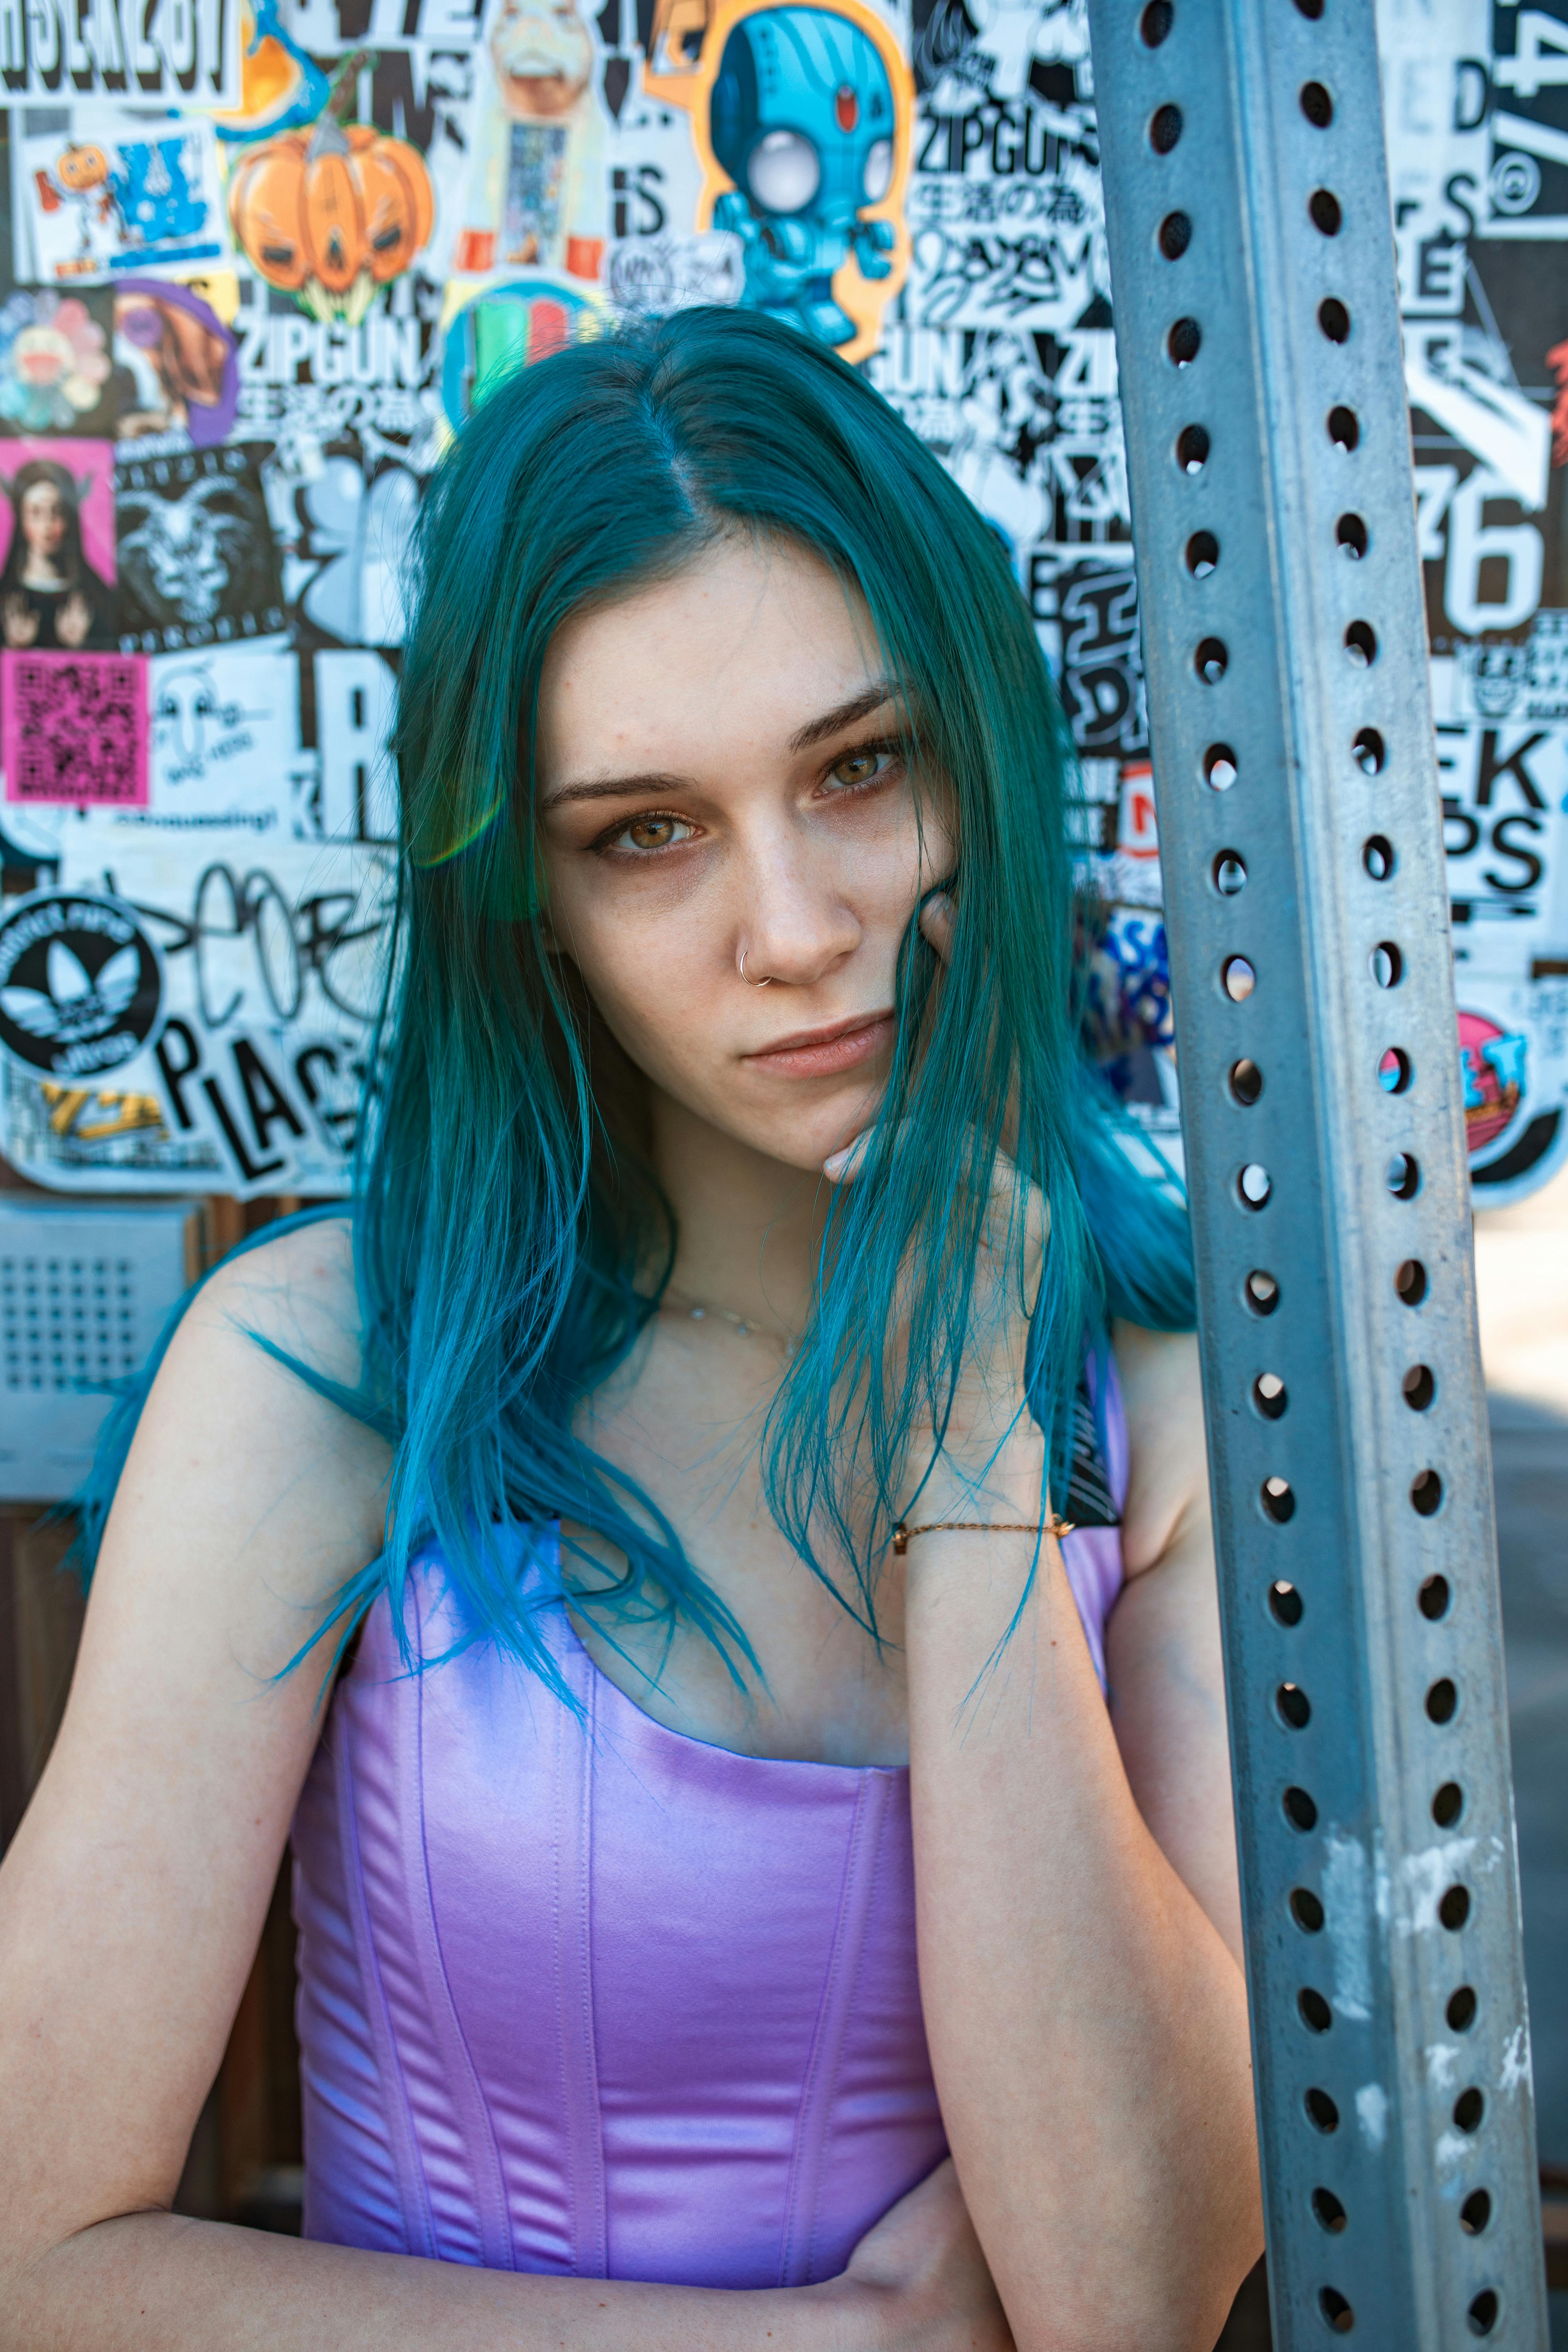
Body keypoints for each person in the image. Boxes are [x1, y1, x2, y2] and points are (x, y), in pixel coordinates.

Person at [0, 309, 1262, 2350]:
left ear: (978, 761)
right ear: (530, 898)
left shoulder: (1169, 1427)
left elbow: (1126, 2290)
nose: (790, 926)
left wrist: (971, 1458)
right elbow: (26, 2255)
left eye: (860, 768)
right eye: (646, 834)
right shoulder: (329, 1370)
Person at [0, 454, 115, 649]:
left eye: (57, 512)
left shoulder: (96, 597)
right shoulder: (6, 596)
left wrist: (80, 646)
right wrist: (14, 648)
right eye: (36, 513)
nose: (47, 526)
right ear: (21, 519)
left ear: (69, 520)